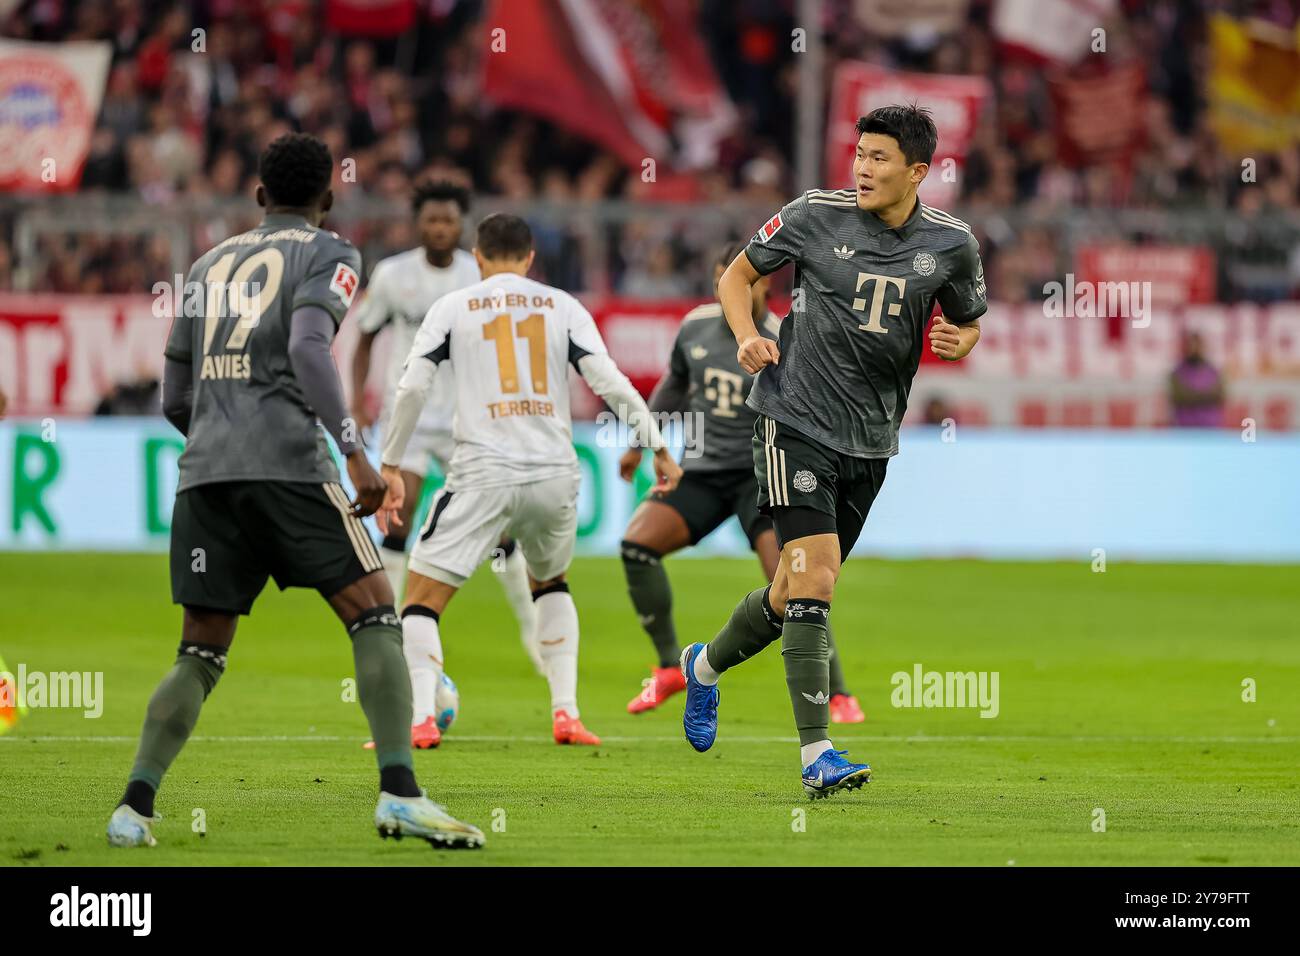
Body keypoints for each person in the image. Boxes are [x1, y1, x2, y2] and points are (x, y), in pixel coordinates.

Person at [107, 132, 483, 850]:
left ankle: (134, 807)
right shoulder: (330, 253)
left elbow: (175, 395)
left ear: (257, 195)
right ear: (329, 198)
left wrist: (220, 437)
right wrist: (355, 453)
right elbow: (310, 345)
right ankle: (401, 794)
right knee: (377, 614)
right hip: (290, 466)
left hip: (207, 476)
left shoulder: (207, 265)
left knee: (200, 653)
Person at [679, 105, 986, 798]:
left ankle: (701, 667)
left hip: (871, 441)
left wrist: (958, 342)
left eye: (880, 159)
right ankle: (817, 754)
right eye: (859, 154)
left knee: (793, 593)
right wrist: (743, 337)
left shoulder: (953, 243)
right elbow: (735, 276)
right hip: (792, 419)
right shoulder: (814, 213)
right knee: (816, 579)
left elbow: (968, 322)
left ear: (917, 171)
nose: (862, 169)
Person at [379, 213, 682, 748]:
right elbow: (608, 379)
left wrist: (390, 462)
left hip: (483, 471)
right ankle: (566, 714)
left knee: (420, 601)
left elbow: (411, 388)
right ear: (529, 259)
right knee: (553, 582)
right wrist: (657, 444)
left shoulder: (453, 307)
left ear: (478, 256)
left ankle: (421, 719)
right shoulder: (562, 305)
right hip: (554, 473)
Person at [618, 242, 864, 723]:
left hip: (762, 475)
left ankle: (837, 691)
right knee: (635, 545)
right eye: (721, 278)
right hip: (704, 473)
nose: (727, 287)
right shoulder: (694, 327)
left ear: (765, 283)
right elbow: (673, 383)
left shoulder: (784, 336)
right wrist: (640, 441)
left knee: (796, 579)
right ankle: (671, 667)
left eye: (742, 279)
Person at [350, 182, 543, 750]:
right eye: (430, 219)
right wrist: (358, 396)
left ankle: (533, 634)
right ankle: (394, 627)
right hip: (408, 415)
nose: (439, 228)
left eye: (448, 220)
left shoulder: (476, 276)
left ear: (462, 227)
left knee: (499, 528)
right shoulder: (391, 275)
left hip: (470, 419)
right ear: (417, 222)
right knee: (398, 516)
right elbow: (363, 337)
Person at [1168, 331, 1225, 427]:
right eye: (1191, 345)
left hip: (1210, 429)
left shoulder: (1213, 372)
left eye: (1197, 345)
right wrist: (1205, 396)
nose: (1194, 349)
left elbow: (1219, 396)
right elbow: (1179, 397)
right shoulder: (1177, 373)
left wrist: (1191, 395)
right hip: (1185, 429)